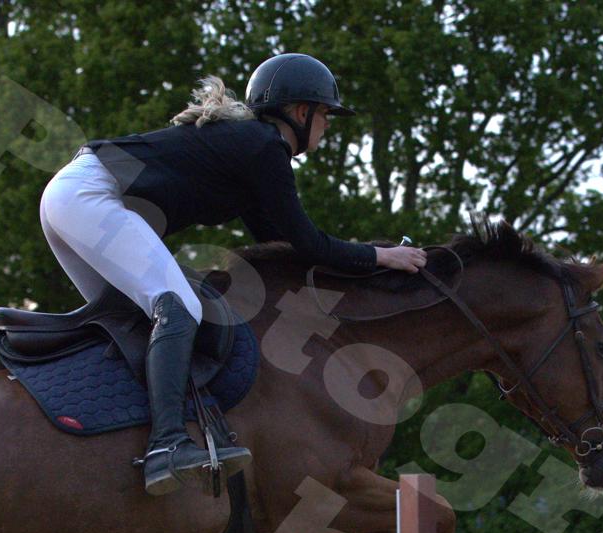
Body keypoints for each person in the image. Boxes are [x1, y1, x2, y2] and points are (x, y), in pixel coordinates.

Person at [40, 53, 428, 496]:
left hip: (72, 197)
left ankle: (104, 433)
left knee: (134, 322)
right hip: (91, 197)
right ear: (301, 113)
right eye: (325, 114)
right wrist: (380, 257)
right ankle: (167, 445)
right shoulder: (265, 148)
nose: (327, 126)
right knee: (179, 307)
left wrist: (353, 274)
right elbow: (308, 242)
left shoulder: (249, 150)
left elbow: (282, 247)